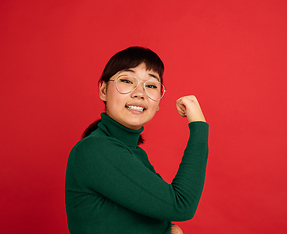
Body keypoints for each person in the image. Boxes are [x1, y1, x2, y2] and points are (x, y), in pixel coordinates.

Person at [65, 46, 209, 234]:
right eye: (126, 80)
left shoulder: (134, 153)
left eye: (151, 85)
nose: (139, 93)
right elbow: (181, 205)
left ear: (158, 102)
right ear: (103, 90)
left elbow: (162, 214)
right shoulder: (95, 149)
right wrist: (199, 125)